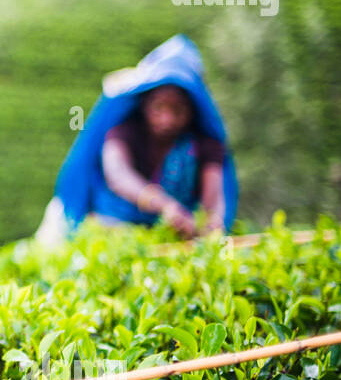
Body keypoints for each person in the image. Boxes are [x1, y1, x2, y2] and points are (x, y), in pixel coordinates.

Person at [36, 34, 238, 244]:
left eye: (177, 110)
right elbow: (119, 175)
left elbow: (214, 202)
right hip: (112, 226)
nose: (167, 119)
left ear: (193, 109)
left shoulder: (203, 143)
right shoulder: (125, 130)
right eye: (159, 107)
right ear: (144, 105)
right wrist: (165, 205)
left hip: (174, 239)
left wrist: (209, 225)